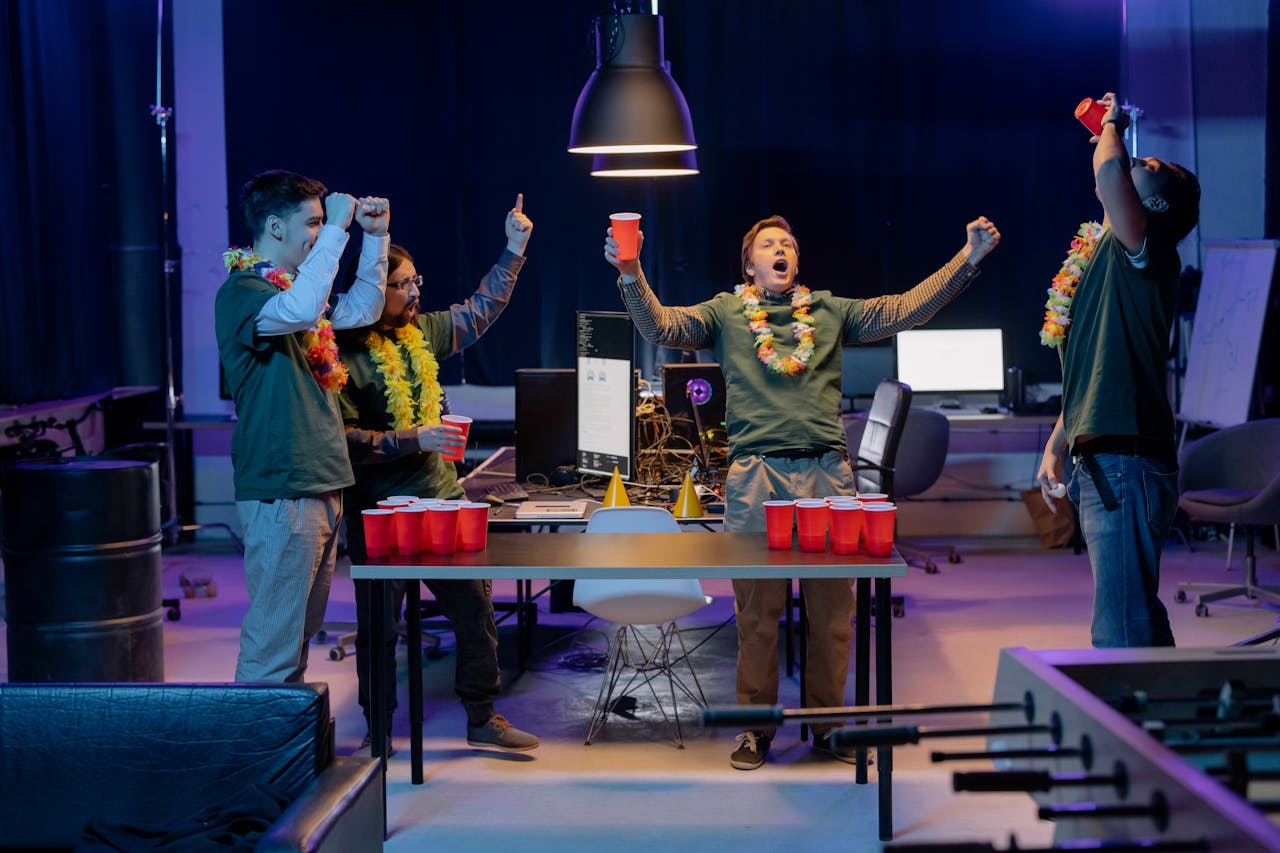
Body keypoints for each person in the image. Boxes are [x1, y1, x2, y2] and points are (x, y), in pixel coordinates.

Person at [603, 211, 1001, 770]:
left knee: (833, 614)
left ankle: (827, 726)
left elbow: (904, 309)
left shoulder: (830, 312)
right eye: (769, 243)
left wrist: (968, 260)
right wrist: (630, 271)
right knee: (756, 615)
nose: (780, 249)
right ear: (749, 265)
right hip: (755, 476)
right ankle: (755, 729)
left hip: (826, 475)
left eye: (788, 243)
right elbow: (661, 327)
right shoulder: (724, 312)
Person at [338, 194, 539, 753]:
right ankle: (378, 733)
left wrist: (514, 249)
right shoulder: (342, 353)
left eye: (415, 281)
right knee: (379, 631)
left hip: (442, 503)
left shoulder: (422, 332)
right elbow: (344, 441)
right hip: (380, 515)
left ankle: (483, 717)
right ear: (371, 288)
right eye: (401, 284)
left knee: (475, 612)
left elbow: (480, 309)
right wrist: (414, 439)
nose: (414, 292)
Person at [1037, 92, 1200, 649]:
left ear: (1154, 205)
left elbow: (1109, 172)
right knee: (1134, 615)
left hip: (1127, 459)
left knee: (1120, 628)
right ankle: (1168, 703)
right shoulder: (1104, 254)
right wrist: (1056, 444)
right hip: (1107, 454)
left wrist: (1112, 127)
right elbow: (1094, 372)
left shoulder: (1147, 250)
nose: (1137, 160)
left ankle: (1136, 710)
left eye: (1149, 166)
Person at [215, 169, 390, 683]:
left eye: (322, 223)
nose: (321, 231)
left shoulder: (297, 290)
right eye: (312, 222)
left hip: (320, 482)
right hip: (283, 486)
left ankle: (286, 732)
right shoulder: (244, 290)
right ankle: (256, 736)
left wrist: (375, 238)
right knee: (274, 644)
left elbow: (363, 308)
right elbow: (300, 308)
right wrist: (337, 228)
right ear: (275, 226)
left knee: (298, 633)